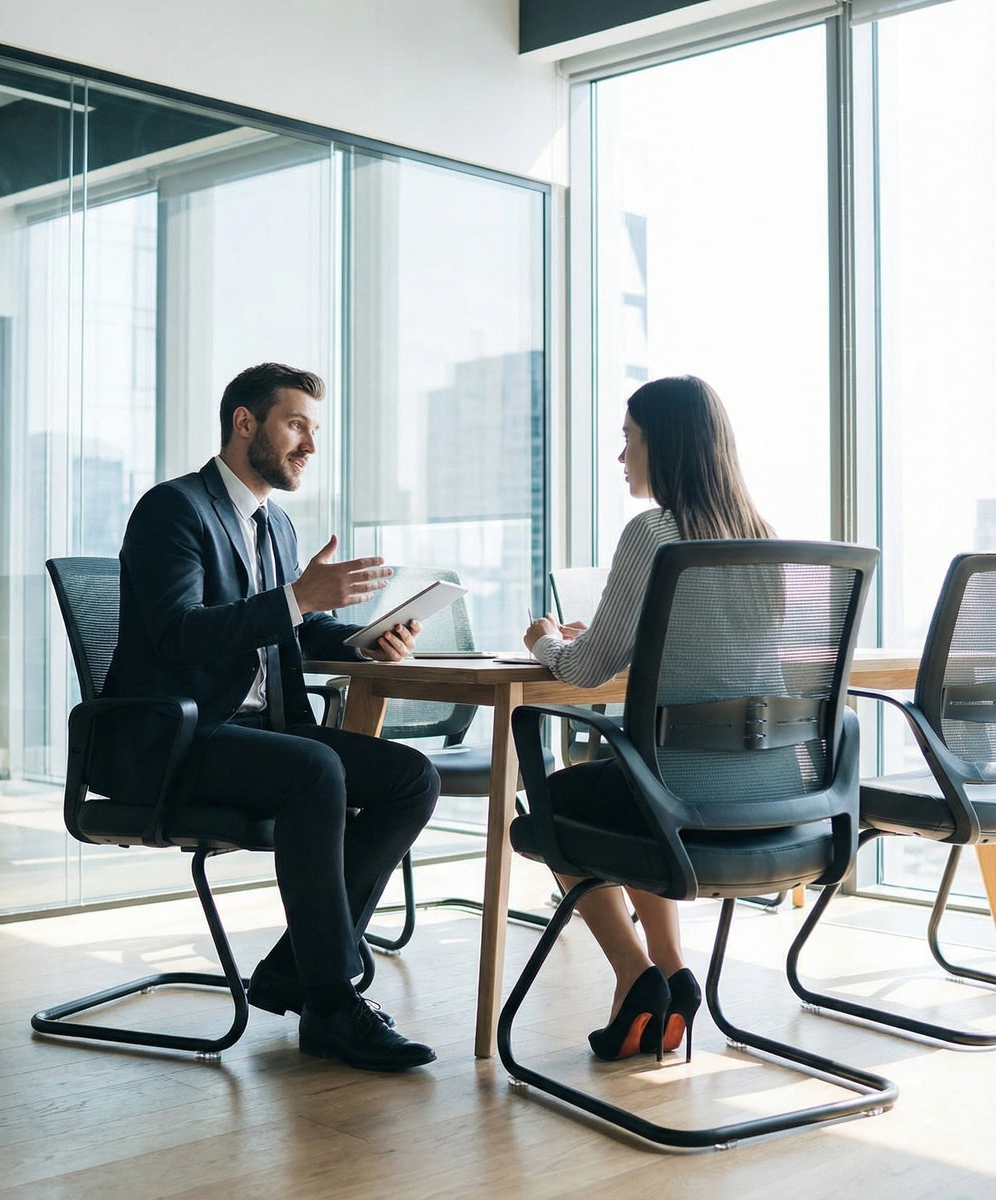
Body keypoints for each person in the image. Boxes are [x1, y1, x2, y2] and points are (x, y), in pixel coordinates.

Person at [101, 362, 441, 1072]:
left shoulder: (276, 525)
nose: (309, 446)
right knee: (315, 768)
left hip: (259, 734)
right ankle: (331, 1004)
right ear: (245, 423)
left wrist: (361, 639)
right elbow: (180, 633)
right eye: (296, 425)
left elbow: (289, 632)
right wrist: (297, 599)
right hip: (180, 740)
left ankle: (294, 969)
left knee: (411, 777)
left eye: (315, 431)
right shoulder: (173, 509)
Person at [521, 375, 773, 1062]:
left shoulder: (653, 533)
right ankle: (672, 970)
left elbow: (580, 671)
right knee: (621, 784)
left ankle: (637, 975)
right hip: (771, 795)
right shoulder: (764, 542)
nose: (621, 457)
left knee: (549, 805)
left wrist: (544, 638)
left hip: (678, 794)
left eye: (628, 440)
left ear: (663, 444)